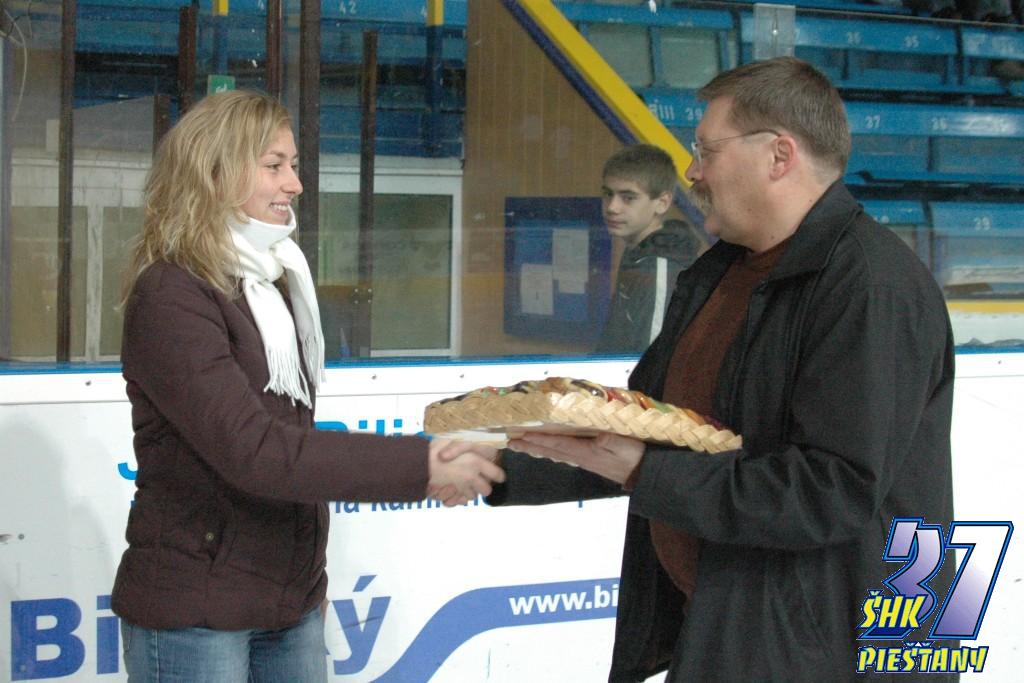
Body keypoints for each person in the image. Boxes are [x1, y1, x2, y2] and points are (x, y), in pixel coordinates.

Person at [442, 57, 956, 681]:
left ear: (779, 155)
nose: (692, 171)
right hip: (730, 632)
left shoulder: (874, 285)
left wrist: (645, 471)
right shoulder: (718, 273)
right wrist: (501, 465)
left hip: (833, 656)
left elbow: (832, 492)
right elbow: (645, 431)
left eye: (706, 151)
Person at [111, 89, 503, 682]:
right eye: (274, 166)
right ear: (214, 171)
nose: (294, 184)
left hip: (286, 602)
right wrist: (422, 465)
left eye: (293, 165)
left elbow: (292, 441)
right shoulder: (172, 294)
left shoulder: (276, 283)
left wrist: (306, 582)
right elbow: (256, 451)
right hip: (198, 610)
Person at [595, 144, 701, 354]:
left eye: (628, 197)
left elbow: (652, 360)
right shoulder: (638, 254)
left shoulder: (660, 267)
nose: (612, 207)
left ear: (662, 203)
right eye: (608, 194)